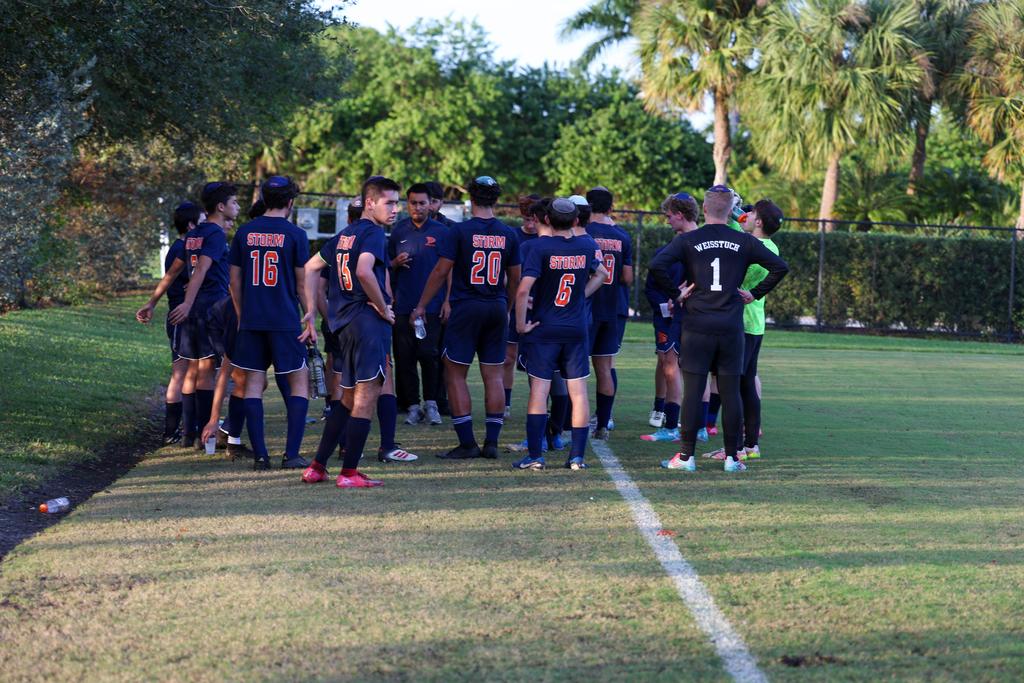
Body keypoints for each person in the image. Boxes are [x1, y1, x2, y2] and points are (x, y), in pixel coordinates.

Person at [648, 185, 789, 473]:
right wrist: (755, 294)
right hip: (731, 327)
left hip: (697, 326)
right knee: (730, 391)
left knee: (693, 391)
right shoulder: (744, 241)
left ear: (704, 208)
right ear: (730, 211)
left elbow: (656, 265)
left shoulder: (690, 239)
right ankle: (732, 458)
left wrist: (676, 293)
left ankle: (686, 457)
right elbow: (780, 267)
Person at [300, 176, 402, 488]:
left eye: (397, 202)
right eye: (389, 202)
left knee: (346, 398)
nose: (396, 209)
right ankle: (349, 473)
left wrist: (310, 310)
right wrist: (383, 307)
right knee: (367, 397)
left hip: (343, 325)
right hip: (367, 324)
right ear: (370, 203)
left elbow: (310, 267)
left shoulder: (344, 235)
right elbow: (363, 271)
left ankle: (317, 466)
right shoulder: (373, 233)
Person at [411, 175, 520, 460]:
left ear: (471, 199)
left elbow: (441, 271)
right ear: (496, 199)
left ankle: (468, 443)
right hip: (496, 306)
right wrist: (507, 307)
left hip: (466, 307)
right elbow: (515, 279)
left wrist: (421, 305)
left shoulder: (459, 231)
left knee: (455, 373)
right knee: (494, 375)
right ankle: (492, 442)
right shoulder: (509, 233)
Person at [513, 198, 607, 470]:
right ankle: (577, 457)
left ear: (547, 220)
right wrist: (580, 297)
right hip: (576, 328)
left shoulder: (539, 247)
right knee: (578, 392)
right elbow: (602, 274)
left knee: (539, 391)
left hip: (545, 328)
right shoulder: (587, 245)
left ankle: (535, 456)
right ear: (576, 220)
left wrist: (520, 325)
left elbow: (523, 289)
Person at [227, 176, 311, 470]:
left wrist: (242, 315)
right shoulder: (296, 234)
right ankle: (291, 455)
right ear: (290, 202)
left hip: (252, 320)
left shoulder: (244, 232)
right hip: (285, 320)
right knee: (299, 381)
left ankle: (261, 456)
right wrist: (310, 317)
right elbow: (302, 284)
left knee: (252, 384)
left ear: (263, 199)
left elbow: (234, 281)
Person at [703, 199, 783, 462]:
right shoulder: (768, 245)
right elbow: (741, 224)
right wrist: (733, 206)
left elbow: (738, 277)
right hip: (755, 325)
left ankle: (736, 448)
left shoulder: (753, 249)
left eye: (751, 214)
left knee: (733, 386)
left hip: (743, 324)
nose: (745, 216)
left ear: (758, 222)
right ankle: (750, 446)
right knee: (747, 384)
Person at [169, 182, 239, 446]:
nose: (237, 207)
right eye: (234, 202)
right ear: (220, 207)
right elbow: (201, 269)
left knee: (193, 370)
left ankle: (190, 434)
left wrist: (153, 302)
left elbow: (177, 270)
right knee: (209, 370)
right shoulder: (216, 234)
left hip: (195, 309)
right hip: (210, 308)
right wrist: (187, 303)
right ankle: (205, 435)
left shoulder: (194, 234)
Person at [135, 201, 201, 444]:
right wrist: (151, 304)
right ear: (191, 225)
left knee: (193, 372)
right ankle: (170, 431)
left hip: (190, 317)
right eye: (203, 221)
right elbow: (173, 278)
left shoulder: (189, 248)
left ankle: (190, 427)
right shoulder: (181, 249)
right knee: (180, 373)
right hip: (180, 318)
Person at [640, 192, 704, 444]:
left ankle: (690, 426)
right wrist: (671, 298)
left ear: (679, 214)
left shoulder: (701, 244)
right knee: (674, 364)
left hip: (695, 315)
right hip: (675, 316)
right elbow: (652, 283)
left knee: (687, 367)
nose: (666, 221)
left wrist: (682, 294)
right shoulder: (671, 248)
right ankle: (678, 424)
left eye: (669, 216)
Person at [389, 183, 447, 426]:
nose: (418, 207)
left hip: (432, 306)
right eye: (413, 203)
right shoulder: (398, 231)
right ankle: (413, 406)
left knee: (429, 355)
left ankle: (432, 404)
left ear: (430, 204)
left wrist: (447, 300)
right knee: (405, 357)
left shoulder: (442, 231)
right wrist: (395, 263)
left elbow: (449, 269)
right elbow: (385, 268)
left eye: (422, 203)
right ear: (407, 204)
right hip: (403, 304)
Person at [584, 187, 632, 439]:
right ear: (611, 207)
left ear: (588, 206)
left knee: (575, 367)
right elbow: (627, 277)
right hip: (613, 308)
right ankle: (603, 423)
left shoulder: (584, 233)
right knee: (605, 366)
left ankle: (570, 422)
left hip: (587, 307)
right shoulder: (622, 236)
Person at [503, 194, 541, 419]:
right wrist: (519, 297)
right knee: (508, 357)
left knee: (535, 361)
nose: (530, 224)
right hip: (515, 304)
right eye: (526, 219)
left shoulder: (546, 239)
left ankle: (538, 405)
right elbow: (505, 274)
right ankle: (505, 404)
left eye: (533, 220)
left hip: (539, 308)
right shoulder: (513, 236)